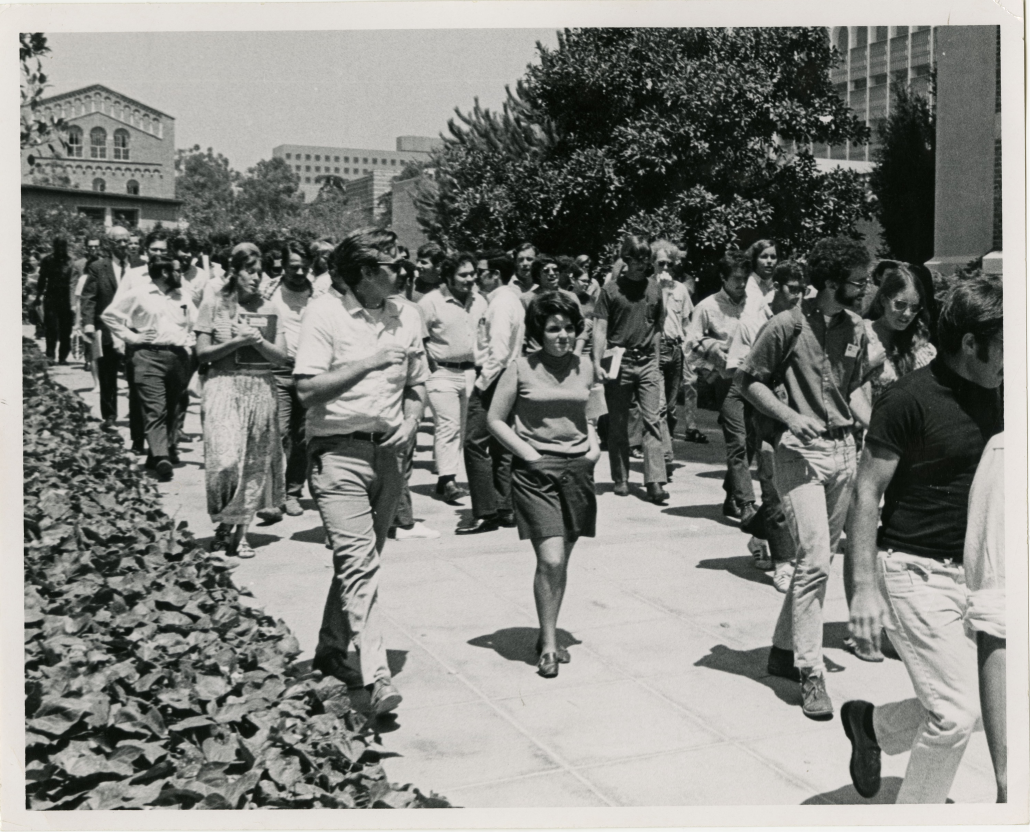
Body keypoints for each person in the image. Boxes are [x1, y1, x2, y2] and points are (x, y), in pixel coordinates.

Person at [843, 276, 1003, 803]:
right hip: (913, 568)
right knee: (957, 714)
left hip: (981, 574)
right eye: (1005, 344)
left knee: (994, 701)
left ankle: (874, 728)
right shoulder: (907, 400)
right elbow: (866, 493)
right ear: (971, 343)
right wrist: (862, 590)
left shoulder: (1007, 394)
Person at [294, 228, 429, 716]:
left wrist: (412, 423)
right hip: (338, 455)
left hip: (389, 456)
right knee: (359, 562)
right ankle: (376, 673)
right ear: (368, 272)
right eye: (393, 263)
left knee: (360, 561)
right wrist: (368, 363)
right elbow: (306, 391)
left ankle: (331, 652)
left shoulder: (407, 315)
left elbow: (418, 385)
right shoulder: (324, 314)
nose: (404, 269)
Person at [739, 237, 872, 721]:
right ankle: (809, 670)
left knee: (820, 559)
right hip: (798, 453)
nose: (866, 288)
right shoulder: (787, 324)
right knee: (815, 558)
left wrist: (871, 430)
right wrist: (791, 417)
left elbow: (852, 387)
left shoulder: (857, 326)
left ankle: (781, 649)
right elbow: (747, 381)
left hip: (843, 452)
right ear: (833, 283)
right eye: (858, 281)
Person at [487, 291, 600, 678]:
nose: (563, 335)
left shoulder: (585, 367)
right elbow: (495, 419)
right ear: (539, 332)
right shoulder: (519, 368)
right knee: (549, 558)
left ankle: (547, 631)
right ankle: (550, 646)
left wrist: (594, 448)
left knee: (561, 561)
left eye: (569, 327)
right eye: (554, 328)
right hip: (536, 474)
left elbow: (593, 413)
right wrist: (529, 454)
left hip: (578, 472)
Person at [194, 246, 288, 559]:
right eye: (249, 270)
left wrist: (258, 341)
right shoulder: (214, 304)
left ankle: (241, 532)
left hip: (260, 387)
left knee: (254, 464)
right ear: (234, 271)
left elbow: (282, 356)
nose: (256, 277)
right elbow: (202, 353)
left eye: (259, 271)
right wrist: (236, 341)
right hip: (223, 386)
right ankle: (223, 520)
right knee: (224, 461)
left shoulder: (271, 307)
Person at [726, 260, 806, 590]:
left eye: (803, 290)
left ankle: (758, 534)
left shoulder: (806, 323)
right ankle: (785, 562)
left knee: (788, 491)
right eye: (791, 288)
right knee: (773, 487)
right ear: (776, 287)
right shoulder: (754, 321)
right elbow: (737, 371)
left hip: (797, 413)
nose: (798, 296)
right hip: (764, 413)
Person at [100, 252, 196, 482]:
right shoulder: (139, 293)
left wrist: (190, 344)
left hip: (178, 358)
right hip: (147, 357)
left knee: (173, 408)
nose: (179, 274)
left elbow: (196, 321)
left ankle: (155, 454)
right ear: (164, 273)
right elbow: (109, 315)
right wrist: (132, 338)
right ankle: (162, 457)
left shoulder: (182, 295)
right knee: (156, 408)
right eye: (175, 270)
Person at [593, 235, 668, 504]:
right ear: (625, 259)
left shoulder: (655, 289)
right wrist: (596, 363)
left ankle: (655, 481)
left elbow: (658, 327)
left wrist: (657, 362)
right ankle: (621, 477)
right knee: (618, 423)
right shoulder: (611, 291)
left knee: (652, 420)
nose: (641, 264)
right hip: (619, 361)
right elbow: (600, 329)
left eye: (645, 259)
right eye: (635, 259)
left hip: (647, 360)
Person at [417, 253, 487, 502]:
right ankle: (448, 480)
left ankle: (444, 476)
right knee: (448, 425)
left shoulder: (480, 301)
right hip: (441, 373)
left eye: (472, 274)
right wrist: (430, 366)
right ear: (449, 277)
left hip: (471, 371)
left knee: (465, 427)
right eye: (463, 274)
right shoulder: (430, 302)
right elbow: (419, 336)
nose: (470, 279)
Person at [686, 250, 750, 519]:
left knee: (752, 442)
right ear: (723, 278)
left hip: (755, 380)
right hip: (726, 381)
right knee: (738, 440)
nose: (742, 284)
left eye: (745, 278)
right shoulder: (707, 307)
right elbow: (689, 347)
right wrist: (712, 352)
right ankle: (747, 504)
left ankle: (731, 494)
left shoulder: (755, 303)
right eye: (736, 278)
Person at [462, 252, 523, 533]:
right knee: (501, 446)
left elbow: (497, 352)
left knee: (475, 444)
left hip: (494, 378)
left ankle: (486, 511)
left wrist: (481, 384)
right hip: (506, 377)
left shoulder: (500, 304)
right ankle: (504, 506)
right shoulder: (509, 300)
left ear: (495, 274)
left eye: (481, 271)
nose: (476, 276)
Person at [259, 240, 315, 522]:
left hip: (309, 371)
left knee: (303, 437)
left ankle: (293, 492)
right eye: (294, 267)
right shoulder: (267, 291)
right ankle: (274, 495)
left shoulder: (318, 293)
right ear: (283, 265)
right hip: (277, 371)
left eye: (305, 267)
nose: (300, 272)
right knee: (278, 433)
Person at [964, 431, 1006, 803]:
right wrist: (1008, 780)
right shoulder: (1009, 453)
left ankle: (876, 726)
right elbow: (997, 619)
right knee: (953, 710)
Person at [80, 226, 134, 429]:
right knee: (108, 374)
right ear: (109, 244)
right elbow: (89, 298)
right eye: (118, 241)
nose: (123, 245)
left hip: (134, 328)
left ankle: (137, 415)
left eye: (126, 241)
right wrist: (88, 324)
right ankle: (110, 416)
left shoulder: (139, 266)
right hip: (107, 328)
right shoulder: (98, 267)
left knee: (135, 373)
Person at [863, 262, 937, 404]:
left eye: (915, 307)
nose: (907, 314)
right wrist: (868, 364)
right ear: (884, 300)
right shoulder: (861, 335)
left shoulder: (923, 348)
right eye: (900, 304)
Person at [35, 236, 76, 365]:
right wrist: (38, 296)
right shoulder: (47, 260)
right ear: (54, 247)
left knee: (66, 329)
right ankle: (50, 355)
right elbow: (42, 280)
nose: (60, 249)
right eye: (58, 246)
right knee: (51, 328)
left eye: (63, 246)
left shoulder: (70, 261)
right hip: (51, 297)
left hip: (66, 298)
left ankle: (63, 356)